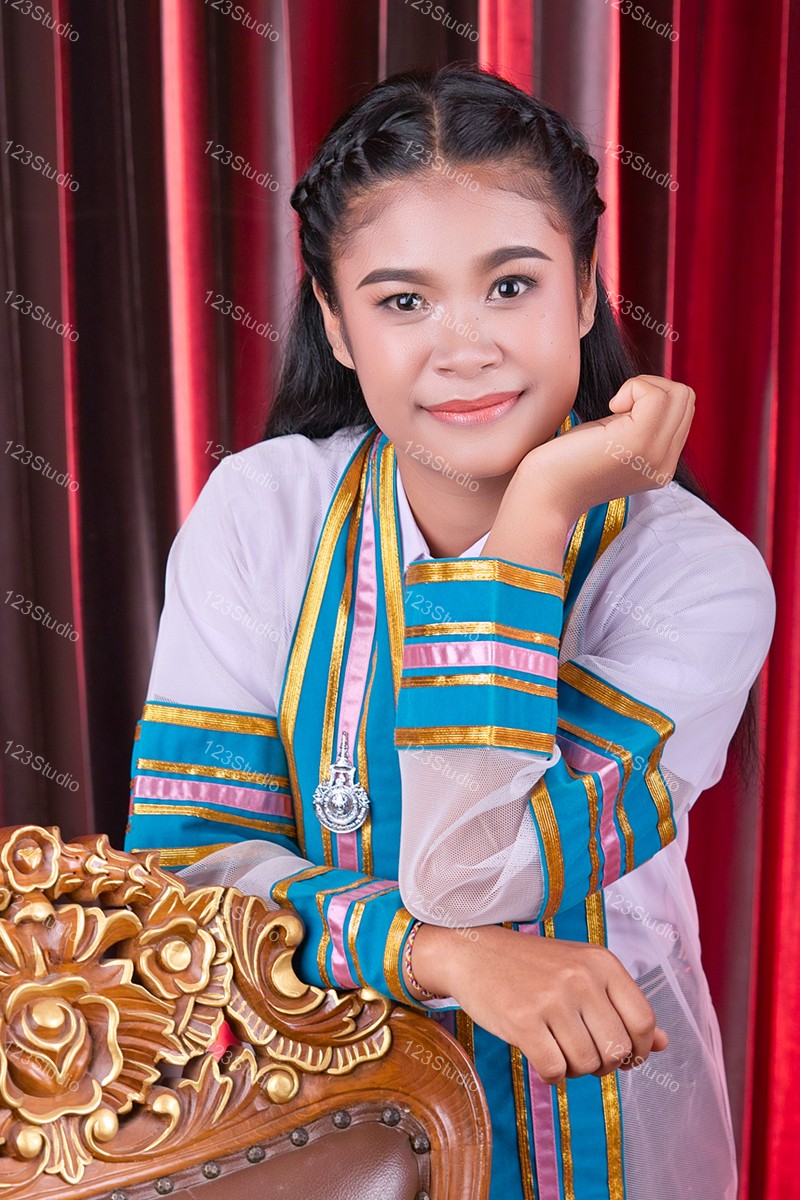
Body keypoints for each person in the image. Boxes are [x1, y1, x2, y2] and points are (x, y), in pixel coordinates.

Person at [124, 64, 775, 1199]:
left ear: (584, 295)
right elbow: (186, 878)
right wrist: (439, 958)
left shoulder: (690, 573)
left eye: (510, 286)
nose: (463, 347)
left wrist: (536, 514)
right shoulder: (263, 512)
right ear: (336, 324)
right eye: (402, 301)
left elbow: (470, 873)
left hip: (604, 1118)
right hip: (300, 1129)